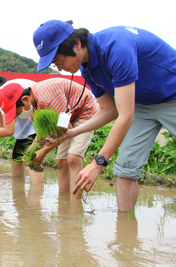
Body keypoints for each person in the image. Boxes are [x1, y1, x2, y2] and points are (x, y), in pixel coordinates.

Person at [32, 20, 176, 211]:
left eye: (59, 61)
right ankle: (124, 233)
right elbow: (109, 110)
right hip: (142, 104)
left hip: (172, 96)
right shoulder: (87, 68)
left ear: (76, 44)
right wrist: (72, 133)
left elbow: (125, 115)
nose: (59, 68)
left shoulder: (117, 47)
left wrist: (98, 162)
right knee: (125, 168)